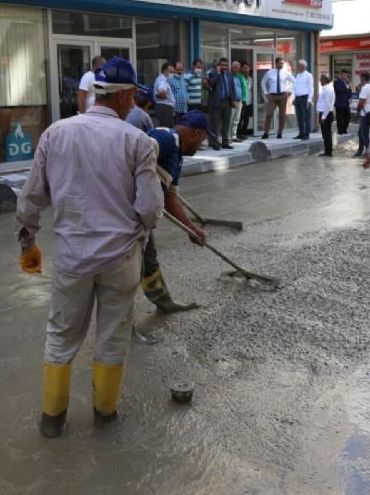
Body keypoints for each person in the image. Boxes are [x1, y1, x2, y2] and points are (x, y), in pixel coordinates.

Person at [15, 57, 162, 438]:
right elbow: (150, 208)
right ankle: (105, 418)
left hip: (71, 257)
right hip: (121, 258)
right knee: (112, 337)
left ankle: (51, 423)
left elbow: (31, 197)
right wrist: (140, 233)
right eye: (133, 96)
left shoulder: (55, 134)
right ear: (126, 95)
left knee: (61, 337)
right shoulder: (139, 142)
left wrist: (27, 240)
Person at [141, 111, 212, 313]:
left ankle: (164, 302)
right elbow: (134, 156)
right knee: (126, 273)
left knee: (148, 259)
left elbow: (169, 199)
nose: (200, 147)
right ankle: (125, 327)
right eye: (203, 141)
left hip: (140, 217)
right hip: (124, 214)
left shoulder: (177, 157)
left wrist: (191, 229)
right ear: (197, 134)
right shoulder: (166, 138)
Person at [206, 57, 237, 150]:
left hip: (227, 102)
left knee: (226, 123)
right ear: (218, 66)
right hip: (216, 102)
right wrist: (218, 74)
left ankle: (225, 142)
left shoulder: (229, 74)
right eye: (222, 65)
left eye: (225, 65)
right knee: (215, 124)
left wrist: (234, 100)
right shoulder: (212, 73)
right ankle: (214, 143)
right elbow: (210, 84)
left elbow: (232, 88)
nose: (224, 67)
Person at [261, 58, 289, 139]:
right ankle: (266, 133)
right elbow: (263, 82)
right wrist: (266, 93)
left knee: (281, 116)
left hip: (283, 96)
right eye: (280, 63)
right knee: (269, 114)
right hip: (272, 97)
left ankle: (280, 132)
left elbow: (294, 81)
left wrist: (289, 91)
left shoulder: (285, 73)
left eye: (282, 64)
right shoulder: (270, 72)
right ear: (276, 63)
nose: (281, 65)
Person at [353, 72, 370, 158]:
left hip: (365, 114)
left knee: (364, 134)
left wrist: (357, 111)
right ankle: (360, 151)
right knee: (360, 133)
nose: (360, 79)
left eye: (360, 78)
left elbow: (361, 102)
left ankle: (369, 153)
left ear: (363, 78)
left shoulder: (365, 88)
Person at [292, 59, 314, 139]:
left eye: (298, 65)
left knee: (306, 117)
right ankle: (301, 133)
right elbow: (295, 87)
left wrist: (309, 100)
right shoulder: (297, 75)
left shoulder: (309, 75)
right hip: (297, 98)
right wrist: (294, 98)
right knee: (299, 117)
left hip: (305, 98)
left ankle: (306, 134)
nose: (297, 67)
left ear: (303, 66)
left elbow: (310, 88)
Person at [316, 73, 336, 156]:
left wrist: (323, 116)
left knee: (326, 134)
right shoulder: (327, 89)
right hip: (326, 113)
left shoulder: (327, 89)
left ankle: (328, 152)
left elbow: (328, 104)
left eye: (321, 79)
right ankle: (327, 151)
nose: (320, 80)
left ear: (324, 80)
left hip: (325, 114)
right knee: (326, 134)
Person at [153, 62, 175, 127]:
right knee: (166, 128)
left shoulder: (160, 79)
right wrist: (165, 97)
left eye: (173, 72)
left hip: (163, 106)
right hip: (165, 107)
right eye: (170, 72)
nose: (172, 74)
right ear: (164, 71)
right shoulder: (162, 80)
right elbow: (161, 92)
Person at [229, 61, 244, 143]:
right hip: (232, 102)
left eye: (238, 68)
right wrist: (232, 100)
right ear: (232, 67)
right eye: (236, 67)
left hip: (239, 101)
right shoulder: (229, 77)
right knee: (230, 120)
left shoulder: (238, 77)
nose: (238, 69)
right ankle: (228, 137)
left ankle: (233, 136)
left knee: (236, 120)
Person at [236, 60, 253, 138]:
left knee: (246, 119)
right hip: (241, 101)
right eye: (245, 68)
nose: (246, 70)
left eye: (248, 68)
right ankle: (238, 133)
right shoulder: (239, 78)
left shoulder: (250, 79)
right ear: (241, 69)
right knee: (240, 118)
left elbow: (250, 90)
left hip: (249, 101)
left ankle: (244, 133)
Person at [333, 70, 352, 134]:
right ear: (340, 75)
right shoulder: (336, 82)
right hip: (339, 103)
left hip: (346, 103)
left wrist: (350, 97)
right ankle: (340, 130)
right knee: (340, 118)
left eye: (346, 75)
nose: (345, 76)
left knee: (347, 117)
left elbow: (349, 90)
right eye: (344, 75)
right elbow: (338, 90)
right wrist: (346, 88)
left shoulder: (346, 82)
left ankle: (344, 129)